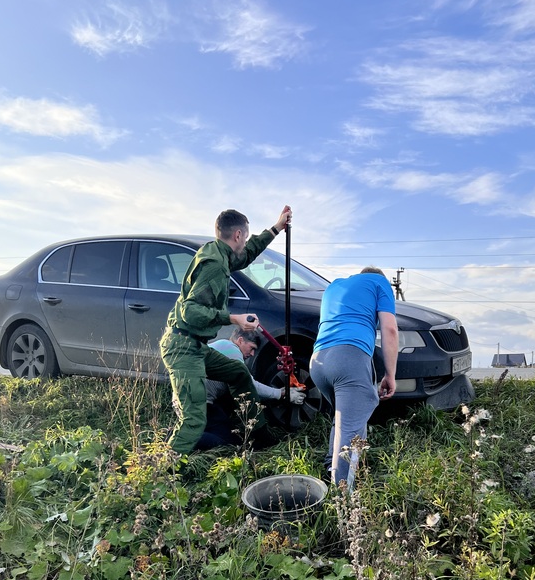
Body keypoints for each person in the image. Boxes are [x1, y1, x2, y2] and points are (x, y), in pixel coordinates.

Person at [160, 205, 292, 454]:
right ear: (239, 235)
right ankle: (160, 473)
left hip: (196, 346)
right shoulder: (215, 265)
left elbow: (248, 254)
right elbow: (190, 311)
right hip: (183, 348)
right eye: (246, 237)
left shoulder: (218, 252)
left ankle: (259, 435)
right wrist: (233, 318)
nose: (245, 243)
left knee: (238, 374)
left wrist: (276, 228)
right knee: (194, 421)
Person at [309, 266, 398, 488]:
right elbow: (390, 330)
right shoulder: (379, 283)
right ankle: (341, 506)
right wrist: (390, 374)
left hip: (318, 362)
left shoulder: (334, 286)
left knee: (343, 420)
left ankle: (331, 467)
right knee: (350, 431)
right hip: (348, 359)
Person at [198, 327, 306, 450]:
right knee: (227, 444)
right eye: (252, 348)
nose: (252, 354)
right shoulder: (229, 348)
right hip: (200, 405)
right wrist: (281, 393)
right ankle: (184, 441)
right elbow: (249, 384)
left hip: (203, 402)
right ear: (240, 340)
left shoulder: (222, 347)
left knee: (229, 434)